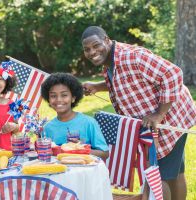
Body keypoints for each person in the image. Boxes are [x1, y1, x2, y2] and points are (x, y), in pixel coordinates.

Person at [81, 26, 196, 200]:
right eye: (87, 49)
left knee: (157, 176)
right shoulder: (110, 62)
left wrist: (159, 114)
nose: (92, 52)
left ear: (106, 39)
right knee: (175, 172)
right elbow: (126, 81)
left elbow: (173, 74)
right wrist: (98, 86)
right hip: (159, 122)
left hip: (170, 118)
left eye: (96, 45)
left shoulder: (132, 56)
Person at [41, 72, 109, 160]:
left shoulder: (88, 123)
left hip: (83, 172)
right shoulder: (47, 128)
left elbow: (104, 153)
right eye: (53, 96)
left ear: (73, 97)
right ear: (48, 99)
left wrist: (81, 149)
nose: (59, 100)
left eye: (64, 95)